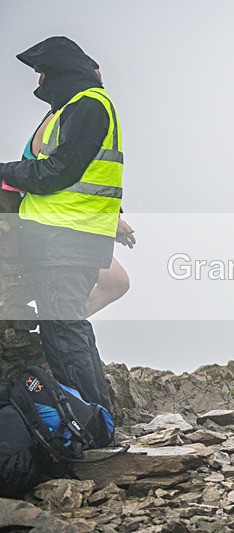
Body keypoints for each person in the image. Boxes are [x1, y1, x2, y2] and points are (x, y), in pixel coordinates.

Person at [0, 37, 124, 409]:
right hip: (69, 236)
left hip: (65, 238)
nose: (38, 83)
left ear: (60, 73)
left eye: (42, 73)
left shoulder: (87, 106)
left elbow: (57, 172)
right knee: (72, 332)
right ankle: (97, 419)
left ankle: (91, 424)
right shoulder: (80, 106)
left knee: (65, 336)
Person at [20, 59, 134, 319]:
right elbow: (59, 173)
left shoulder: (79, 112)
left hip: (74, 221)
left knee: (116, 283)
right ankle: (60, 342)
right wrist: (110, 219)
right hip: (55, 225)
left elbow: (86, 171)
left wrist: (112, 216)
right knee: (112, 282)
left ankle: (61, 340)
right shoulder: (63, 115)